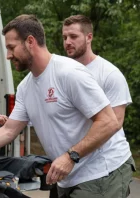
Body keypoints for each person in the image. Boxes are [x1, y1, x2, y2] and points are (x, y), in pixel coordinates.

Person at [0, 14, 134, 198]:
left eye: (11, 47)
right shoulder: (25, 87)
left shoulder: (69, 73)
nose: (8, 55)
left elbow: (109, 122)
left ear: (30, 42)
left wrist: (70, 156)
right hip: (69, 175)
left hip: (103, 171)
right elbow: (9, 131)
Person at [61, 15, 135, 197]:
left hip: (107, 166)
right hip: (72, 169)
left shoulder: (109, 74)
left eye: (73, 36)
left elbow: (114, 123)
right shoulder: (62, 72)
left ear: (89, 37)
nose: (67, 42)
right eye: (64, 38)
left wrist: (72, 155)